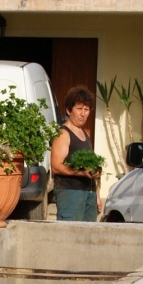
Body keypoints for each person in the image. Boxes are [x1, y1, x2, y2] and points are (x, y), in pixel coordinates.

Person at [50, 87, 102, 221]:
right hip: (70, 193)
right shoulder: (63, 134)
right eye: (79, 109)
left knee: (88, 237)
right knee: (69, 235)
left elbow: (91, 166)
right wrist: (79, 173)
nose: (83, 114)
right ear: (68, 110)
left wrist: (96, 195)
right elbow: (56, 166)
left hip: (88, 193)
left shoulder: (85, 134)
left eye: (86, 109)